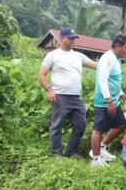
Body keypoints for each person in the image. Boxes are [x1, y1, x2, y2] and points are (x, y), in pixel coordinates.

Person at [37, 27, 97, 157]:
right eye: (70, 38)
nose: (73, 40)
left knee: (80, 125)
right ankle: (56, 154)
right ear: (62, 37)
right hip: (60, 96)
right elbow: (41, 74)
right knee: (56, 126)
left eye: (74, 38)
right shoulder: (52, 55)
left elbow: (96, 66)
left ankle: (69, 152)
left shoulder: (78, 56)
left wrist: (110, 61)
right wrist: (49, 90)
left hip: (76, 97)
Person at [90, 34, 126, 167]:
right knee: (98, 130)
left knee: (121, 124)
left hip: (114, 100)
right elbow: (102, 80)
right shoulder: (108, 58)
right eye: (125, 48)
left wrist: (120, 94)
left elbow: (112, 80)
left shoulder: (116, 59)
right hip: (104, 102)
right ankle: (96, 159)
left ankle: (102, 147)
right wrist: (109, 101)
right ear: (118, 46)